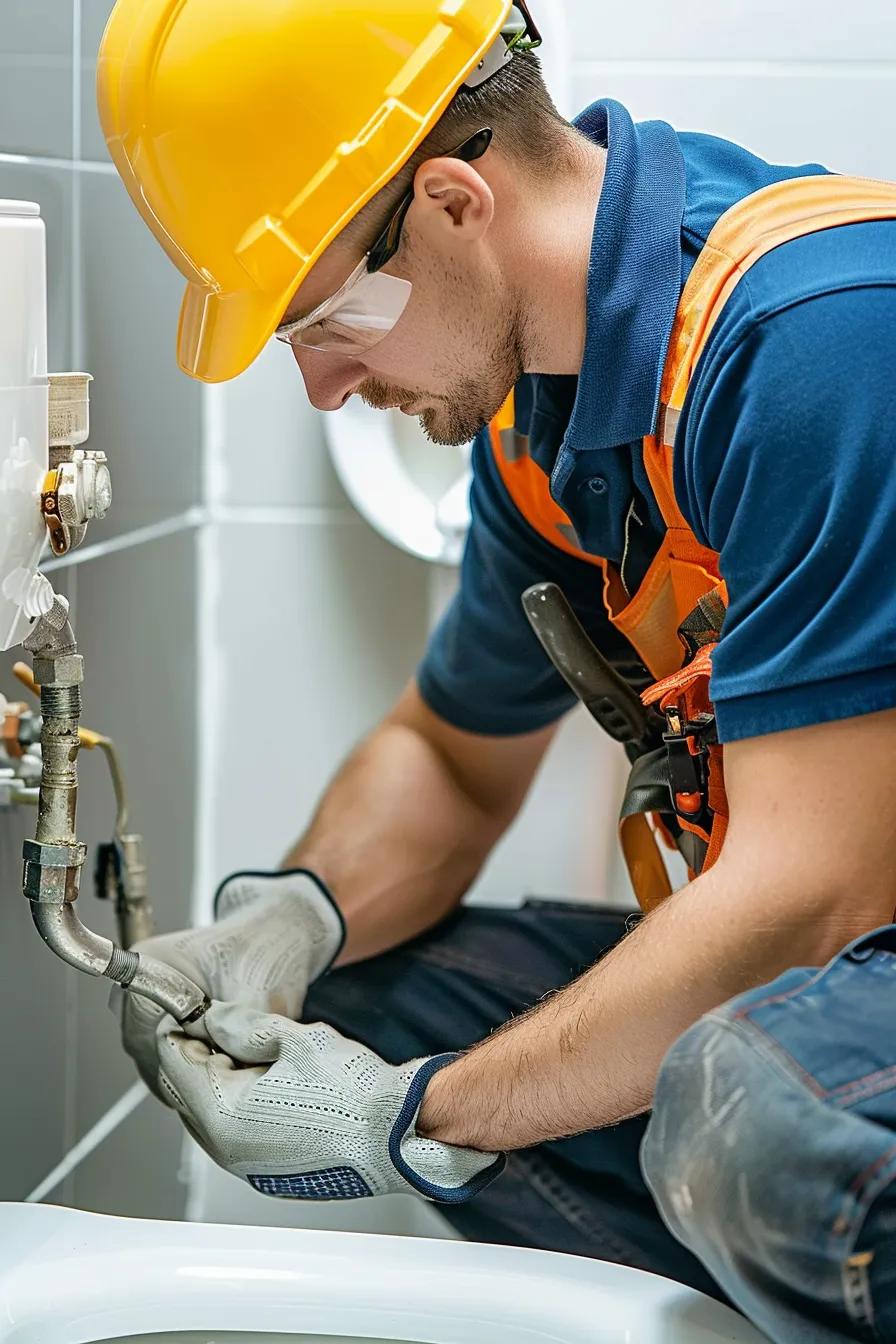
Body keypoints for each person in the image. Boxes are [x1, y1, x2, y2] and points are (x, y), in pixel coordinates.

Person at [99, 2, 896, 1338]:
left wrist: (413, 1119)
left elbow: (809, 897)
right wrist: (281, 924)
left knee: (747, 1121)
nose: (326, 388)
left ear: (454, 201)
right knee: (360, 993)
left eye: (323, 322)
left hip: (830, 959)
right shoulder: (544, 423)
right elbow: (451, 757)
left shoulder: (819, 340)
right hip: (830, 997)